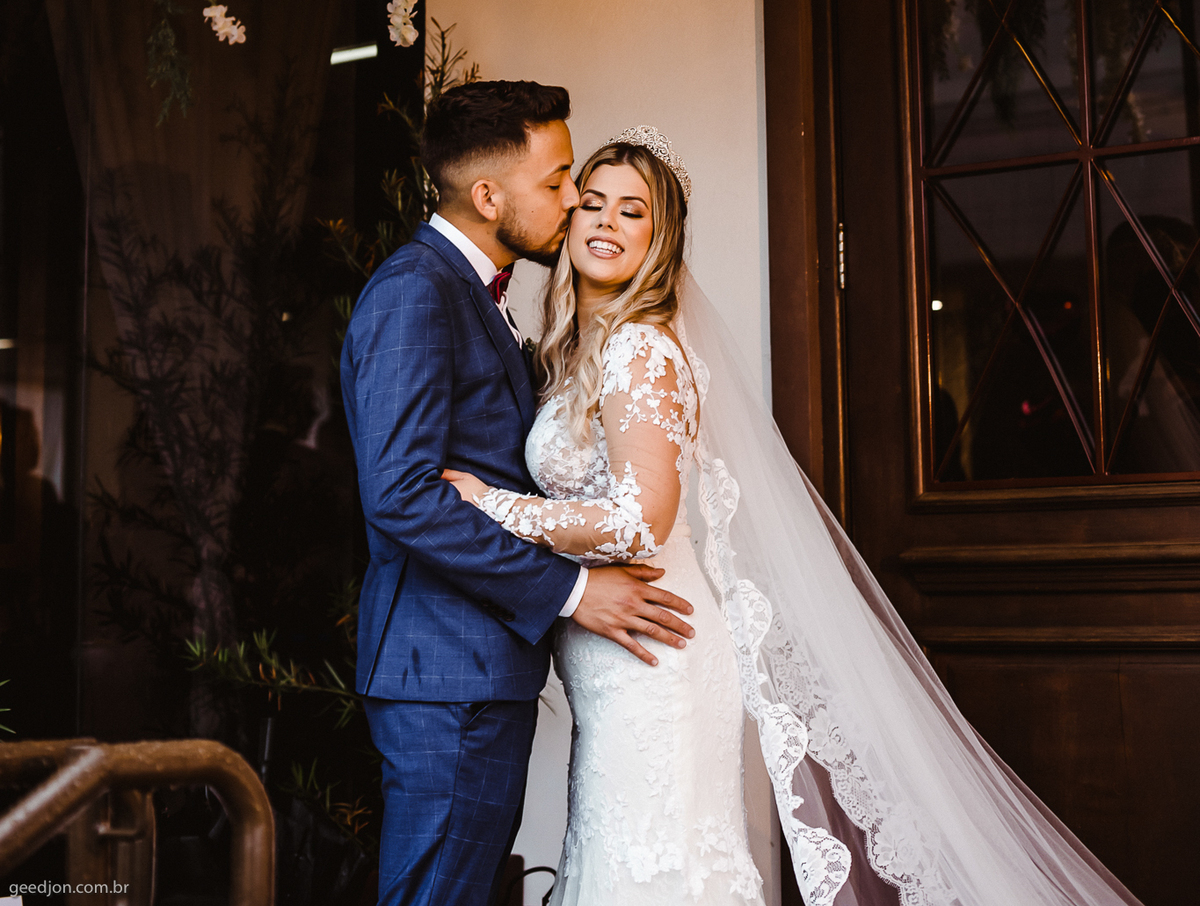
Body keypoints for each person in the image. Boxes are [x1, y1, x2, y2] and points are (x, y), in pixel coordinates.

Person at [444, 128, 1146, 906]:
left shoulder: (638, 349)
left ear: (659, 239)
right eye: (594, 203)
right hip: (615, 656)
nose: (606, 222)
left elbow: (641, 522)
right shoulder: (581, 350)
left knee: (656, 872)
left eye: (632, 211)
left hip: (653, 654)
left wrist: (492, 505)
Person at [340, 84, 697, 906]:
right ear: (488, 196)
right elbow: (402, 496)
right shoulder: (417, 291)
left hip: (477, 667)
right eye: (558, 180)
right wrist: (571, 592)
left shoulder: (483, 297)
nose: (574, 200)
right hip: (447, 673)